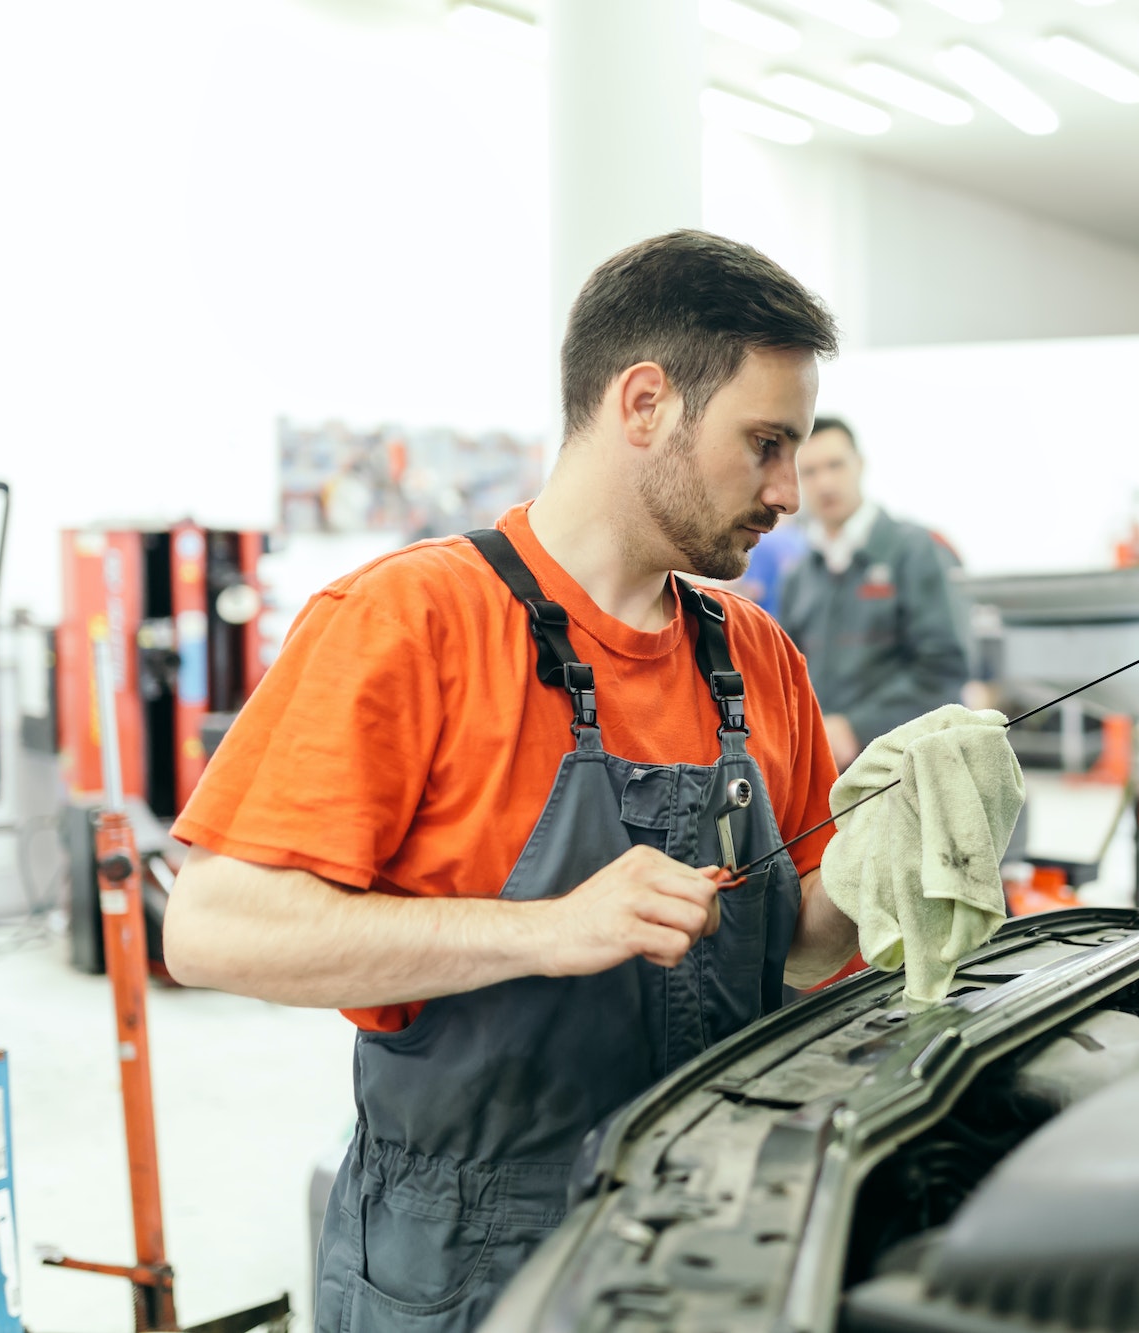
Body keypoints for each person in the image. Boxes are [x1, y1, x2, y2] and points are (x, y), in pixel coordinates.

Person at [160, 230, 860, 1329]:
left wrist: (895, 852)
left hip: (716, 1232)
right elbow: (211, 929)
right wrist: (544, 929)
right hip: (464, 1256)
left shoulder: (755, 656)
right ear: (644, 404)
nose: (787, 488)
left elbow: (811, 948)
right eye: (763, 442)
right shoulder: (410, 621)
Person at [779, 418, 970, 768]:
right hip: (826, 773)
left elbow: (943, 668)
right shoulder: (800, 576)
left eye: (835, 465)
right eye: (809, 471)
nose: (824, 482)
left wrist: (856, 728)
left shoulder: (914, 552)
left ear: (860, 465)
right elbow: (784, 679)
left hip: (906, 771)